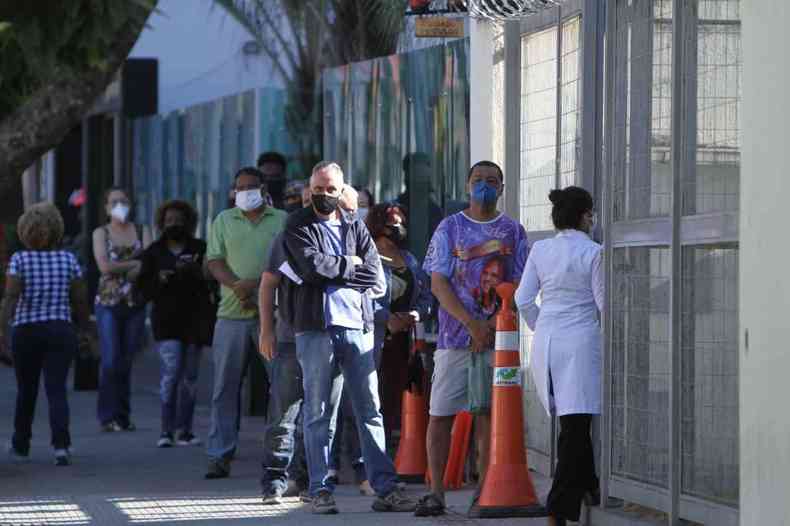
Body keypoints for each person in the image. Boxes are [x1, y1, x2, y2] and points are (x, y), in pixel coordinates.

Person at [281, 161, 415, 514]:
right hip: (316, 330)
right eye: (317, 188)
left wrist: (340, 267)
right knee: (318, 411)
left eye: (330, 189)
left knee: (369, 410)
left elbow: (373, 274)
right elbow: (310, 268)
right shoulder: (297, 224)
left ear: (342, 192)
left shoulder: (356, 227)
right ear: (309, 189)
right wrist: (349, 265)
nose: (323, 195)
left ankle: (384, 486)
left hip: (358, 329)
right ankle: (320, 488)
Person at [415, 160, 529, 517]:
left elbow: (523, 281)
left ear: (502, 188)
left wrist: (493, 325)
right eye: (478, 180)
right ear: (467, 186)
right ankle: (435, 493)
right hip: (453, 339)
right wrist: (471, 324)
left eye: (491, 181)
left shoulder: (513, 231)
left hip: (498, 341)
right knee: (440, 414)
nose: (484, 186)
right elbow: (438, 282)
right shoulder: (450, 228)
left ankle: (485, 489)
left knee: (488, 416)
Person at [515, 186, 602, 526]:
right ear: (584, 216)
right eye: (591, 213)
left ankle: (590, 484)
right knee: (576, 428)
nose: (593, 219)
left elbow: (523, 300)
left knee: (572, 425)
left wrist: (543, 326)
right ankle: (558, 508)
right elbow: (603, 303)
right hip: (580, 344)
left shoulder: (541, 250)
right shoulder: (595, 252)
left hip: (546, 343)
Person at [204, 166, 287, 479]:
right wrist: (238, 285)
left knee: (280, 386)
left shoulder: (281, 220)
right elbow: (214, 260)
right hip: (231, 314)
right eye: (240, 187)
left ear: (264, 188)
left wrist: (256, 285)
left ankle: (280, 455)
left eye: (252, 186)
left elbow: (289, 262)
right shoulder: (224, 220)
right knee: (224, 387)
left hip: (273, 316)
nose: (246, 192)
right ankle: (219, 453)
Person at [0, 203, 90, 466]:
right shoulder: (68, 260)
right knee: (56, 389)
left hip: (26, 331)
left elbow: (11, 298)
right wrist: (85, 328)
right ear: (57, 230)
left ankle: (21, 444)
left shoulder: (19, 260)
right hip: (60, 330)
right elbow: (80, 299)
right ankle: (61, 446)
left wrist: (2, 329)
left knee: (26, 390)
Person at [137, 200, 215, 448]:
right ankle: (166, 430)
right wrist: (159, 279)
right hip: (166, 322)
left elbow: (211, 283)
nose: (174, 225)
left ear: (189, 223)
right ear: (161, 223)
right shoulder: (153, 252)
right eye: (169, 221)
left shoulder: (200, 248)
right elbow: (143, 290)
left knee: (190, 378)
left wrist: (195, 271)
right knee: (171, 374)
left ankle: (186, 430)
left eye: (179, 220)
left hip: (194, 321)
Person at [365, 203, 433, 444]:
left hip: (405, 339)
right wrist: (387, 318)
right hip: (373, 337)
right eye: (393, 223)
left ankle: (395, 446)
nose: (399, 228)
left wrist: (415, 315)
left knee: (397, 393)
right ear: (378, 226)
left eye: (402, 223)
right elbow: (357, 297)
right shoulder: (365, 257)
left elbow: (427, 295)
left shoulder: (409, 259)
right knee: (370, 396)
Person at [92, 187, 152, 433]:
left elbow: (149, 262)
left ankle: (123, 415)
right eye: (114, 201)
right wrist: (134, 263)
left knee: (126, 360)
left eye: (124, 201)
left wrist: (128, 265)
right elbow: (104, 267)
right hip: (108, 302)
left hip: (135, 302)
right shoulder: (101, 232)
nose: (120, 205)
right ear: (106, 207)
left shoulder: (141, 230)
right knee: (110, 359)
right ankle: (107, 416)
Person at [257, 228, 309, 504]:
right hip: (290, 338)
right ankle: (275, 480)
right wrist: (267, 331)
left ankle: (310, 481)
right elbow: (268, 283)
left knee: (319, 417)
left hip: (327, 340)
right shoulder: (287, 238)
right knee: (283, 414)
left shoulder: (346, 233)